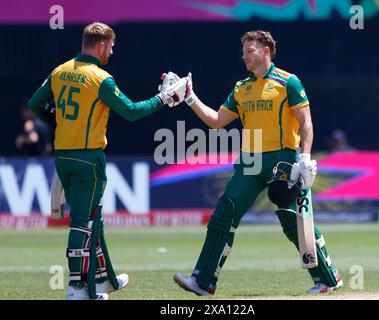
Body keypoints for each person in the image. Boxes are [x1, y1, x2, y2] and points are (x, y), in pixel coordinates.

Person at [173, 30, 343, 295]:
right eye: (243, 53)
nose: (245, 58)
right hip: (250, 163)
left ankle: (327, 278)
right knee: (223, 215)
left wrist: (305, 157)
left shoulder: (289, 82)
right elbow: (216, 122)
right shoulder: (241, 88)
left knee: (293, 221)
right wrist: (190, 97)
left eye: (249, 52)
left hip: (283, 161)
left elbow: (305, 122)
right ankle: (203, 281)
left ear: (266, 51)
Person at [28, 22, 187, 300]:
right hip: (88, 159)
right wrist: (163, 98)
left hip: (63, 156)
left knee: (94, 219)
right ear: (101, 45)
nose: (111, 52)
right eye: (111, 47)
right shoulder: (101, 78)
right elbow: (132, 112)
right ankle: (77, 288)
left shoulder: (60, 71)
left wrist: (59, 123)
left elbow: (35, 104)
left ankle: (103, 281)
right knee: (83, 222)